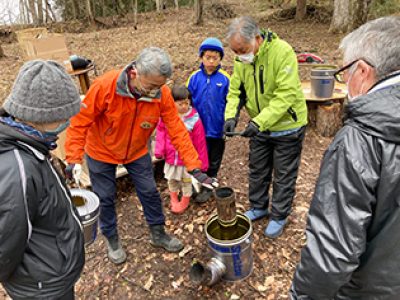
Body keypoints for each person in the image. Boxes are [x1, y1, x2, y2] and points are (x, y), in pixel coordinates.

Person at [64, 47, 217, 265]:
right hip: (101, 151)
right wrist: (73, 158)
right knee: (105, 197)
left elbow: (177, 130)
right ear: (135, 73)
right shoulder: (105, 86)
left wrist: (194, 166)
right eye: (152, 85)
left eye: (161, 85)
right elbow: (80, 123)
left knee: (149, 190)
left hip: (136, 150)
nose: (157, 91)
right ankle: (112, 239)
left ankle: (158, 233)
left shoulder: (161, 93)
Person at [290, 16, 400, 299]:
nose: (344, 80)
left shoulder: (360, 140)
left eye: (345, 72)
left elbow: (332, 252)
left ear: (362, 71)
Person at [0, 60, 84, 299]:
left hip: (49, 274)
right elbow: (5, 244)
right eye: (63, 117)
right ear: (40, 116)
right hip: (42, 286)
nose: (66, 123)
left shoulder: (31, 141)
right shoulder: (18, 169)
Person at [224, 16, 307, 238]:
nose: (240, 55)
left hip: (287, 126)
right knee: (258, 169)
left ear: (257, 38)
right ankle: (259, 206)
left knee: (284, 174)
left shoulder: (282, 52)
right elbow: (236, 90)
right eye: (235, 52)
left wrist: (259, 121)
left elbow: (286, 94)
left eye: (243, 49)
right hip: (260, 127)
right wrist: (230, 115)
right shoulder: (242, 60)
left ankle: (279, 215)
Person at [187, 37, 230, 203]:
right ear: (201, 58)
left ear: (220, 59)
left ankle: (210, 182)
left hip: (217, 128)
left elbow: (232, 102)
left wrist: (228, 122)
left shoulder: (225, 78)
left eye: (215, 58)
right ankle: (197, 181)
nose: (211, 61)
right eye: (208, 57)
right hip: (198, 127)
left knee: (214, 157)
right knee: (198, 155)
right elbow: (187, 100)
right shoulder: (194, 77)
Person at [155, 85, 209, 214]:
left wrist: (202, 163)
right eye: (180, 104)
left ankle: (185, 200)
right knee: (172, 180)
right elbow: (161, 132)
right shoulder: (167, 116)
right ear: (172, 103)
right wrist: (159, 149)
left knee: (186, 181)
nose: (184, 106)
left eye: (186, 103)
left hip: (186, 161)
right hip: (170, 157)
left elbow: (200, 142)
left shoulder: (194, 119)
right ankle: (174, 197)